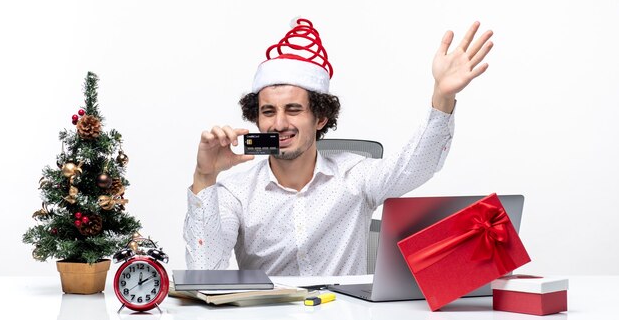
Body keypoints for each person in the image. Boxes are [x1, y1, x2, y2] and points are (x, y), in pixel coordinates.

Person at [183, 18, 493, 275]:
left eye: (293, 110)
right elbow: (204, 272)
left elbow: (417, 165)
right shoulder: (234, 193)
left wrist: (443, 95)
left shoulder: (355, 177)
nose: (279, 124)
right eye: (268, 112)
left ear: (320, 118)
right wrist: (205, 177)